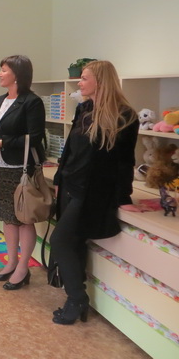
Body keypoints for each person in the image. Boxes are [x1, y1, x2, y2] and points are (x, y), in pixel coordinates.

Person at [50, 60, 138, 325]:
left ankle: (77, 299)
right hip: (70, 184)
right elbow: (69, 148)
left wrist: (124, 197)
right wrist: (58, 178)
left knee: (60, 240)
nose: (79, 82)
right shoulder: (84, 108)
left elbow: (125, 162)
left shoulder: (125, 116)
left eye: (84, 78)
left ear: (100, 81)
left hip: (92, 191)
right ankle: (74, 299)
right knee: (74, 243)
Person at [0, 55, 46, 290]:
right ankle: (11, 262)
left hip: (21, 169)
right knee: (8, 217)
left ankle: (23, 268)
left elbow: (35, 137)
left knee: (23, 218)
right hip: (0, 166)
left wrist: (3, 143)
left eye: (3, 70)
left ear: (17, 75)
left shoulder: (32, 102)